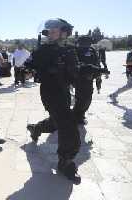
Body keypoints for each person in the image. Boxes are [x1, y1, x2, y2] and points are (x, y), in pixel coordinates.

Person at [25, 18, 81, 183]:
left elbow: (75, 72)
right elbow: (29, 67)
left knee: (57, 122)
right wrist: (28, 70)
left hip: (64, 91)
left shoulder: (70, 50)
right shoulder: (42, 50)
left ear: (64, 32)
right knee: (68, 125)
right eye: (48, 30)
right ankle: (66, 160)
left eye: (54, 30)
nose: (50, 33)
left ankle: (36, 129)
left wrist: (83, 72)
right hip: (50, 92)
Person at [73, 36, 101, 125]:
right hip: (79, 79)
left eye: (88, 42)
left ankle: (80, 114)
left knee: (88, 99)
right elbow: (75, 65)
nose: (86, 44)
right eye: (83, 42)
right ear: (79, 42)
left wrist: (97, 75)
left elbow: (96, 63)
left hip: (90, 79)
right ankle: (76, 116)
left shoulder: (92, 50)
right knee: (80, 98)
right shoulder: (75, 51)